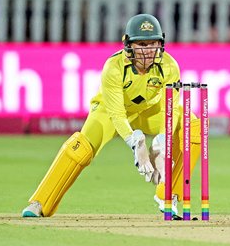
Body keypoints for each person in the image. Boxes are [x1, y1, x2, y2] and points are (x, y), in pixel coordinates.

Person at [22, 14, 201, 218]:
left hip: (151, 112)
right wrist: (136, 143)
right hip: (109, 111)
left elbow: (170, 109)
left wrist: (161, 144)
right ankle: (40, 202)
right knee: (80, 148)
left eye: (153, 44)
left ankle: (169, 195)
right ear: (128, 45)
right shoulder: (114, 68)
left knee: (192, 125)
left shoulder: (169, 66)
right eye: (141, 44)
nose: (148, 51)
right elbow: (117, 113)